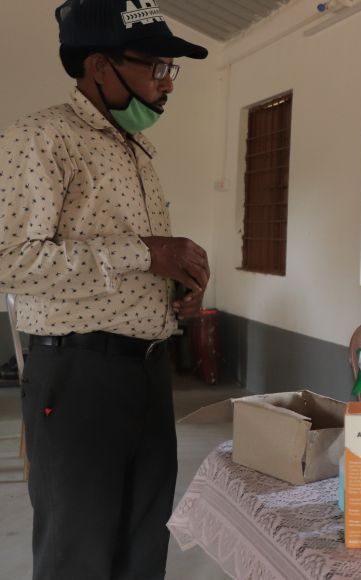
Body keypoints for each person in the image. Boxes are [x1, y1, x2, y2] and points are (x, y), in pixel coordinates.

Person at [0, 1, 210, 578]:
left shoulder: (134, 149)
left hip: (147, 371)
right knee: (79, 550)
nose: (168, 83)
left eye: (171, 69)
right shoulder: (41, 138)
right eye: (155, 67)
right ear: (98, 66)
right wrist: (146, 252)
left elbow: (132, 262)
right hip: (78, 377)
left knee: (143, 543)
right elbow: (9, 259)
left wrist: (176, 287)